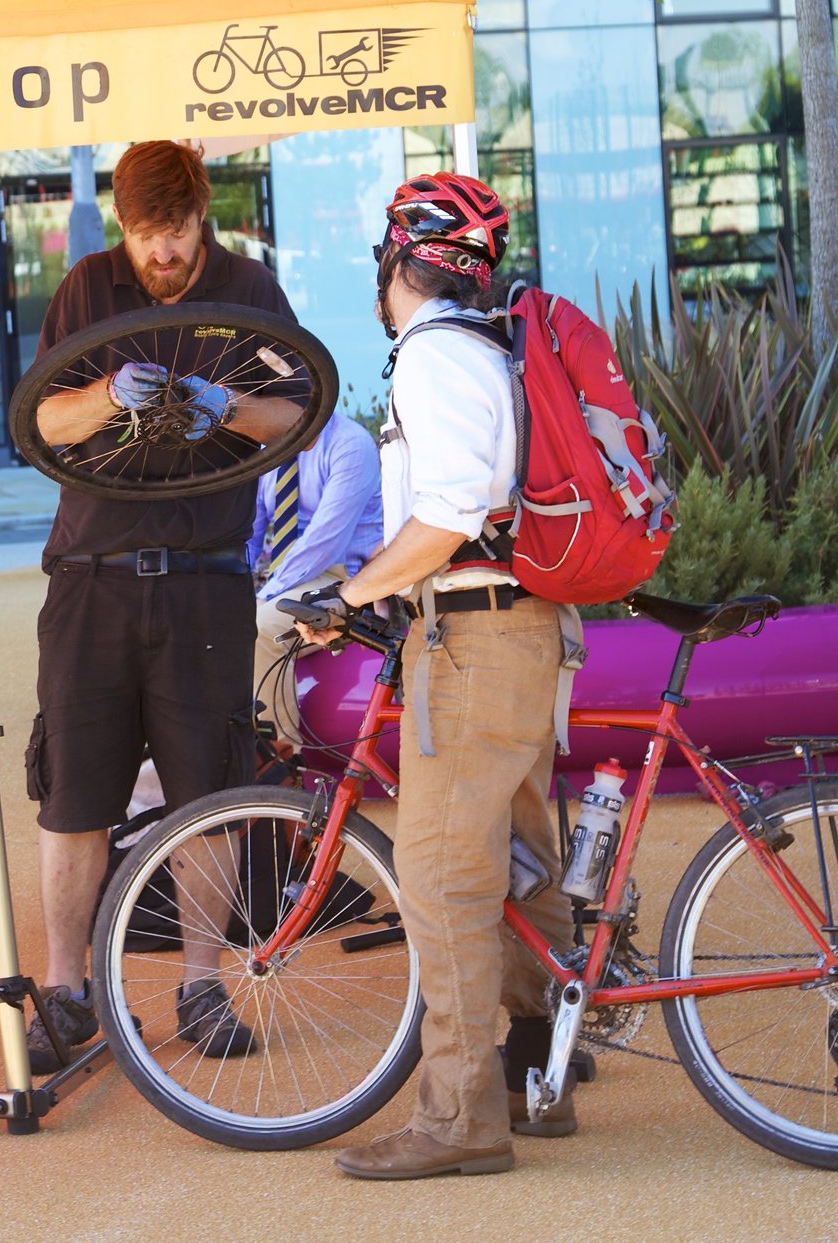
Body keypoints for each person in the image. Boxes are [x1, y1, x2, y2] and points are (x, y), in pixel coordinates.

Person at [298, 172, 582, 1181]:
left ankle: (462, 1114)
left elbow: (457, 504)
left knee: (442, 880)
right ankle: (536, 1077)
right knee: (515, 860)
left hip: (472, 641)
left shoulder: (431, 352)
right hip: (521, 629)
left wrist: (359, 587)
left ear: (392, 261)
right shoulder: (490, 346)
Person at [20, 140, 304, 1072]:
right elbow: (40, 423)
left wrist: (223, 402)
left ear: (201, 215)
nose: (162, 256)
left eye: (175, 233)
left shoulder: (247, 290)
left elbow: (297, 416)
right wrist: (104, 393)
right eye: (145, 236)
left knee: (208, 793)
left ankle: (200, 985)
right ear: (121, 221)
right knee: (74, 798)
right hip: (90, 578)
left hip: (206, 577)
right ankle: (67, 995)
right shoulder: (88, 288)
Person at [244, 408, 383, 747]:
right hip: (288, 574)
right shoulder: (270, 449)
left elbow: (323, 543)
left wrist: (263, 597)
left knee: (260, 626)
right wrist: (230, 583)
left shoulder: (350, 444)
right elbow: (248, 532)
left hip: (346, 579)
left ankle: (280, 761)